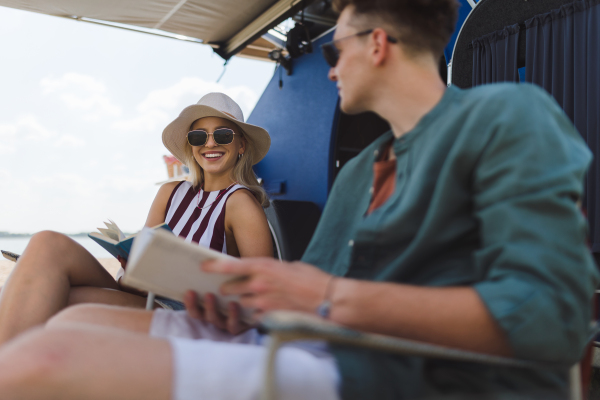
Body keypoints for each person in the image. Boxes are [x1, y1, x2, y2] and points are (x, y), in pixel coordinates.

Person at [0, 0, 598, 399]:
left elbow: (553, 318)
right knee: (79, 318)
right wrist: (248, 304)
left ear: (379, 43)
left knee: (39, 365)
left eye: (335, 51)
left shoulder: (506, 119)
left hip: (390, 368)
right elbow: (307, 292)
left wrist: (328, 298)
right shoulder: (364, 168)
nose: (331, 71)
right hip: (314, 338)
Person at [0, 92, 273, 345]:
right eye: (199, 137)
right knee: (47, 243)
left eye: (223, 135)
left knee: (60, 297)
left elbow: (263, 297)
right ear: (191, 146)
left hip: (190, 317)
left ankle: (11, 373)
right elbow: (141, 260)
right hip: (145, 297)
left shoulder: (240, 204)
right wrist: (130, 273)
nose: (210, 143)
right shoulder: (170, 192)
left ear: (240, 145)